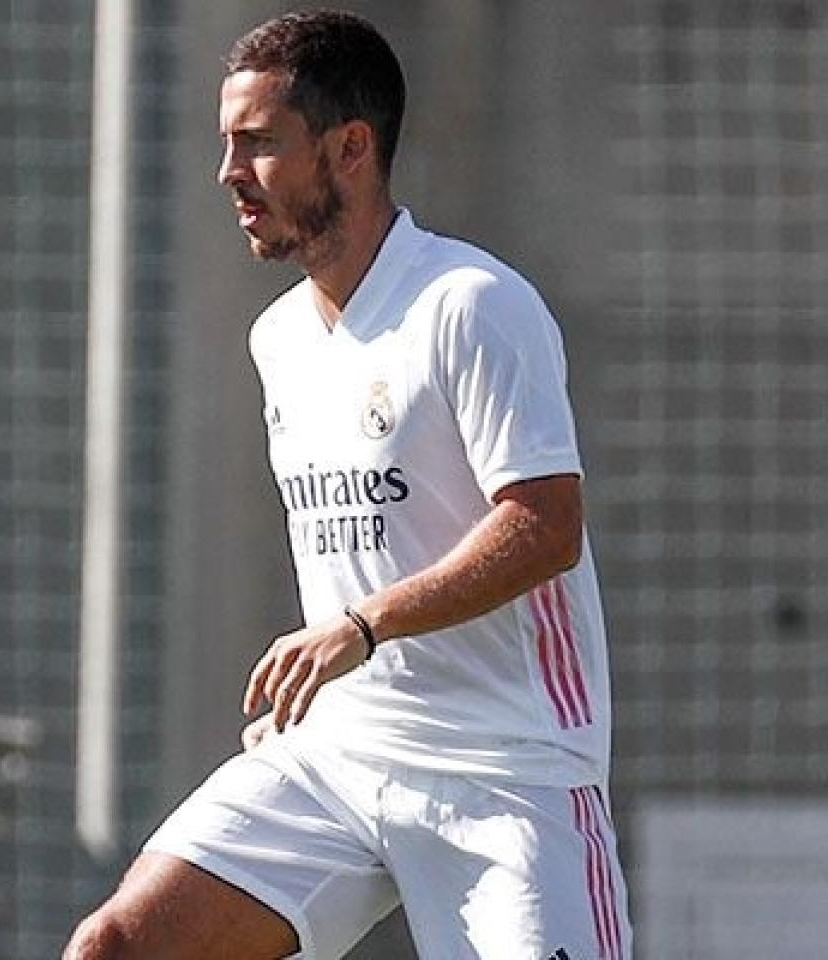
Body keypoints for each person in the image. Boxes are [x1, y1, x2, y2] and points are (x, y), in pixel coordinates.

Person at [64, 10, 630, 960]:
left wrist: (363, 628)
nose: (229, 175)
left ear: (350, 148)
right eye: (225, 144)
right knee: (117, 945)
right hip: (339, 755)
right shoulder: (277, 340)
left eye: (258, 145)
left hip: (507, 768)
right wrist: (339, 669)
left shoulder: (473, 305)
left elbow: (544, 528)